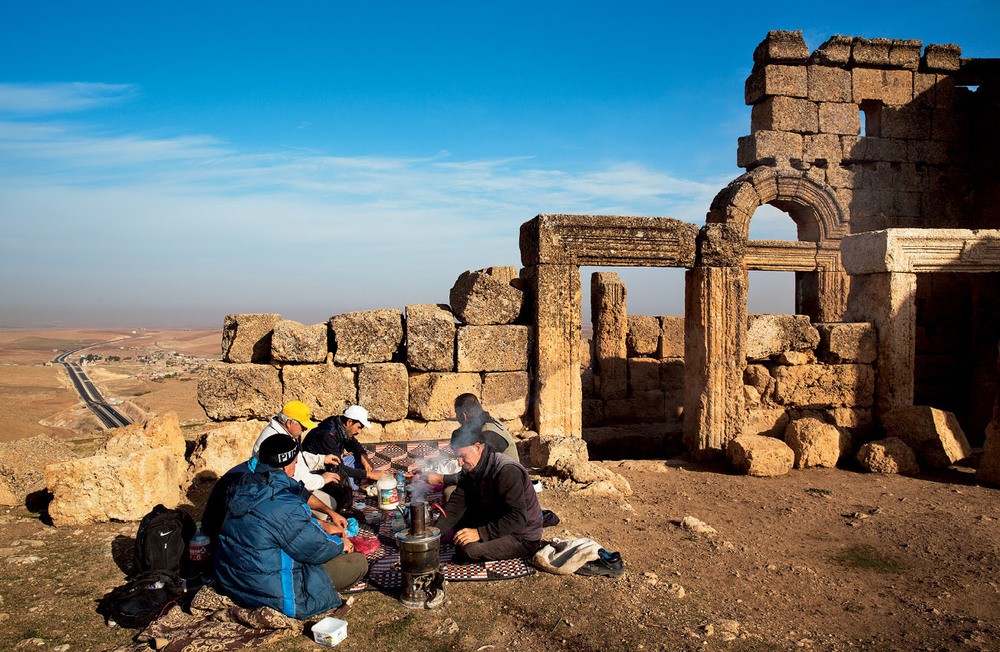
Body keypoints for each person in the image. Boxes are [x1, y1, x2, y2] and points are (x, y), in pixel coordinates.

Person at [214, 434, 368, 619]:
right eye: (295, 462)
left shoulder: (246, 483)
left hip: (232, 581)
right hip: (270, 592)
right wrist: (339, 544)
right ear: (286, 465)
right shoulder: (283, 503)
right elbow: (315, 548)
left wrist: (326, 520)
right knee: (359, 563)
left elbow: (278, 521)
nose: (295, 469)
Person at [433, 427, 543, 561]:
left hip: (521, 535)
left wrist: (480, 533)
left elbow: (517, 518)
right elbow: (456, 504)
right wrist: (433, 535)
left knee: (469, 549)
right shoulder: (472, 467)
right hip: (496, 518)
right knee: (458, 526)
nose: (460, 463)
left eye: (462, 456)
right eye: (457, 457)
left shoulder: (507, 471)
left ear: (478, 447)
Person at [250, 400, 343, 516]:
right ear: (289, 423)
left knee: (329, 504)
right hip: (279, 493)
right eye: (303, 426)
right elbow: (294, 477)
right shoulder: (276, 440)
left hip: (290, 486)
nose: (304, 430)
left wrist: (321, 460)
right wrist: (322, 479)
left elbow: (298, 457)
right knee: (325, 510)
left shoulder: (285, 433)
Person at [302, 405, 382, 512]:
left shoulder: (340, 426)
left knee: (357, 458)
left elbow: (354, 445)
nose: (359, 431)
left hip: (335, 463)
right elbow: (339, 467)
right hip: (317, 471)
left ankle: (358, 481)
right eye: (359, 427)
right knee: (343, 483)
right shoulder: (327, 436)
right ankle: (356, 483)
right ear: (349, 422)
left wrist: (364, 458)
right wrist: (370, 474)